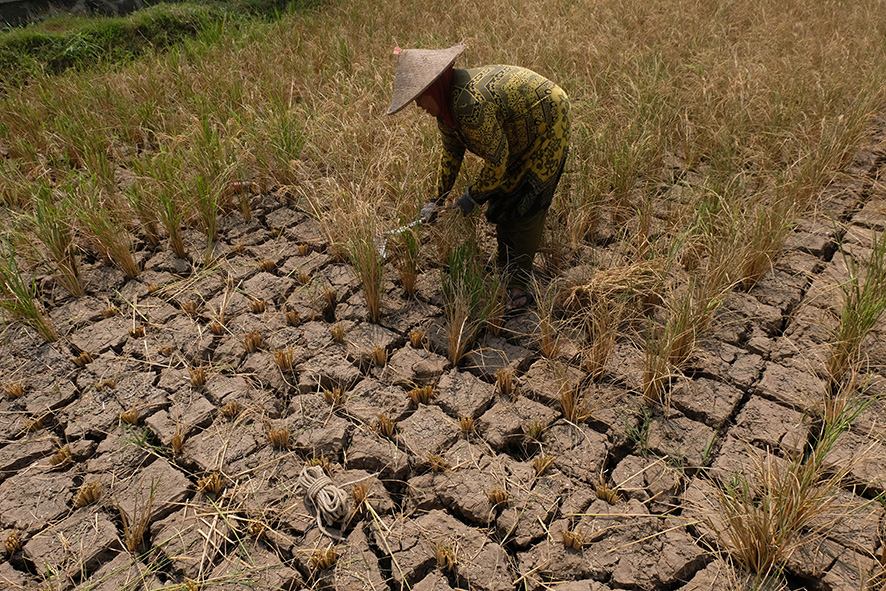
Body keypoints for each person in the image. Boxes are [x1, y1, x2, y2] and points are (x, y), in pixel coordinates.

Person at [386, 43, 571, 310]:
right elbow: (451, 154)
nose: (417, 106)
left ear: (433, 89)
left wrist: (471, 198)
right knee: (504, 195)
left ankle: (519, 285)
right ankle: (505, 263)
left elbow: (496, 160)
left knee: (528, 199)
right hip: (518, 129)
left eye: (418, 98)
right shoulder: (446, 110)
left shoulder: (469, 105)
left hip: (549, 120)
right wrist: (436, 199)